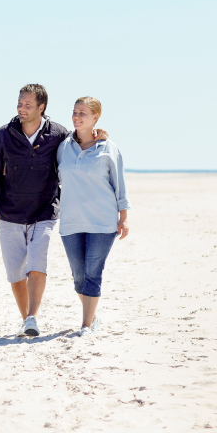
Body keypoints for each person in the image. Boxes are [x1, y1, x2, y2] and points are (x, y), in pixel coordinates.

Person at [0, 85, 107, 337]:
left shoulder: (58, 134)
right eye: (19, 103)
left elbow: (80, 143)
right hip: (10, 213)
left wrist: (98, 136)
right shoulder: (4, 135)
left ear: (41, 108)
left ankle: (32, 316)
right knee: (15, 272)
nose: (21, 108)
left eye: (28, 105)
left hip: (44, 212)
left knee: (37, 264)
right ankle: (27, 320)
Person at [56, 96, 130, 337]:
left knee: (92, 273)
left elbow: (119, 184)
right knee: (78, 276)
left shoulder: (108, 148)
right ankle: (93, 314)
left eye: (83, 113)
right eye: (74, 112)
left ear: (95, 117)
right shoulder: (64, 147)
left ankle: (86, 325)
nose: (76, 117)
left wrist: (124, 216)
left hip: (102, 220)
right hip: (71, 220)